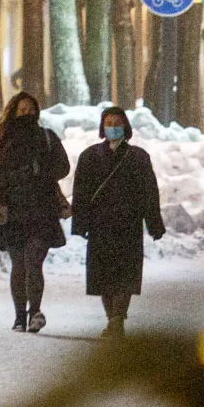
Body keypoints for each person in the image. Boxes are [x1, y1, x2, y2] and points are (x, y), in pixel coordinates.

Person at [70, 105, 165, 338]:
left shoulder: (138, 157)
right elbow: (81, 192)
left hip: (128, 225)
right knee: (104, 277)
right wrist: (80, 222)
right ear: (102, 127)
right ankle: (112, 317)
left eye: (117, 123)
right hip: (100, 226)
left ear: (126, 127)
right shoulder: (90, 157)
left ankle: (117, 318)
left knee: (124, 275)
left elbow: (148, 193)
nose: (112, 128)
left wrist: (154, 224)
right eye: (108, 124)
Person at [0, 91, 69, 333]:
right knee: (19, 263)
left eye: (31, 109)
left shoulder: (46, 138)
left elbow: (63, 166)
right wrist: (11, 178)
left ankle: (35, 312)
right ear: (13, 111)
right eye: (22, 109)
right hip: (12, 211)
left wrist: (42, 171)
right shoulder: (0, 140)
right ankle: (20, 316)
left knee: (33, 260)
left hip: (43, 210)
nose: (27, 113)